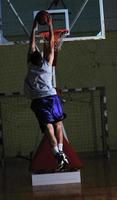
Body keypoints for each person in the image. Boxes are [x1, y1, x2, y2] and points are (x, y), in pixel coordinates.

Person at [24, 12, 68, 171]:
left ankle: (57, 153)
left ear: (31, 58)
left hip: (38, 101)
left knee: (48, 128)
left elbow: (32, 44)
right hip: (51, 97)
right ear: (41, 57)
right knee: (58, 124)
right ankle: (61, 150)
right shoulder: (47, 66)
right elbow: (51, 44)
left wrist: (34, 27)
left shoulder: (30, 66)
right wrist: (49, 25)